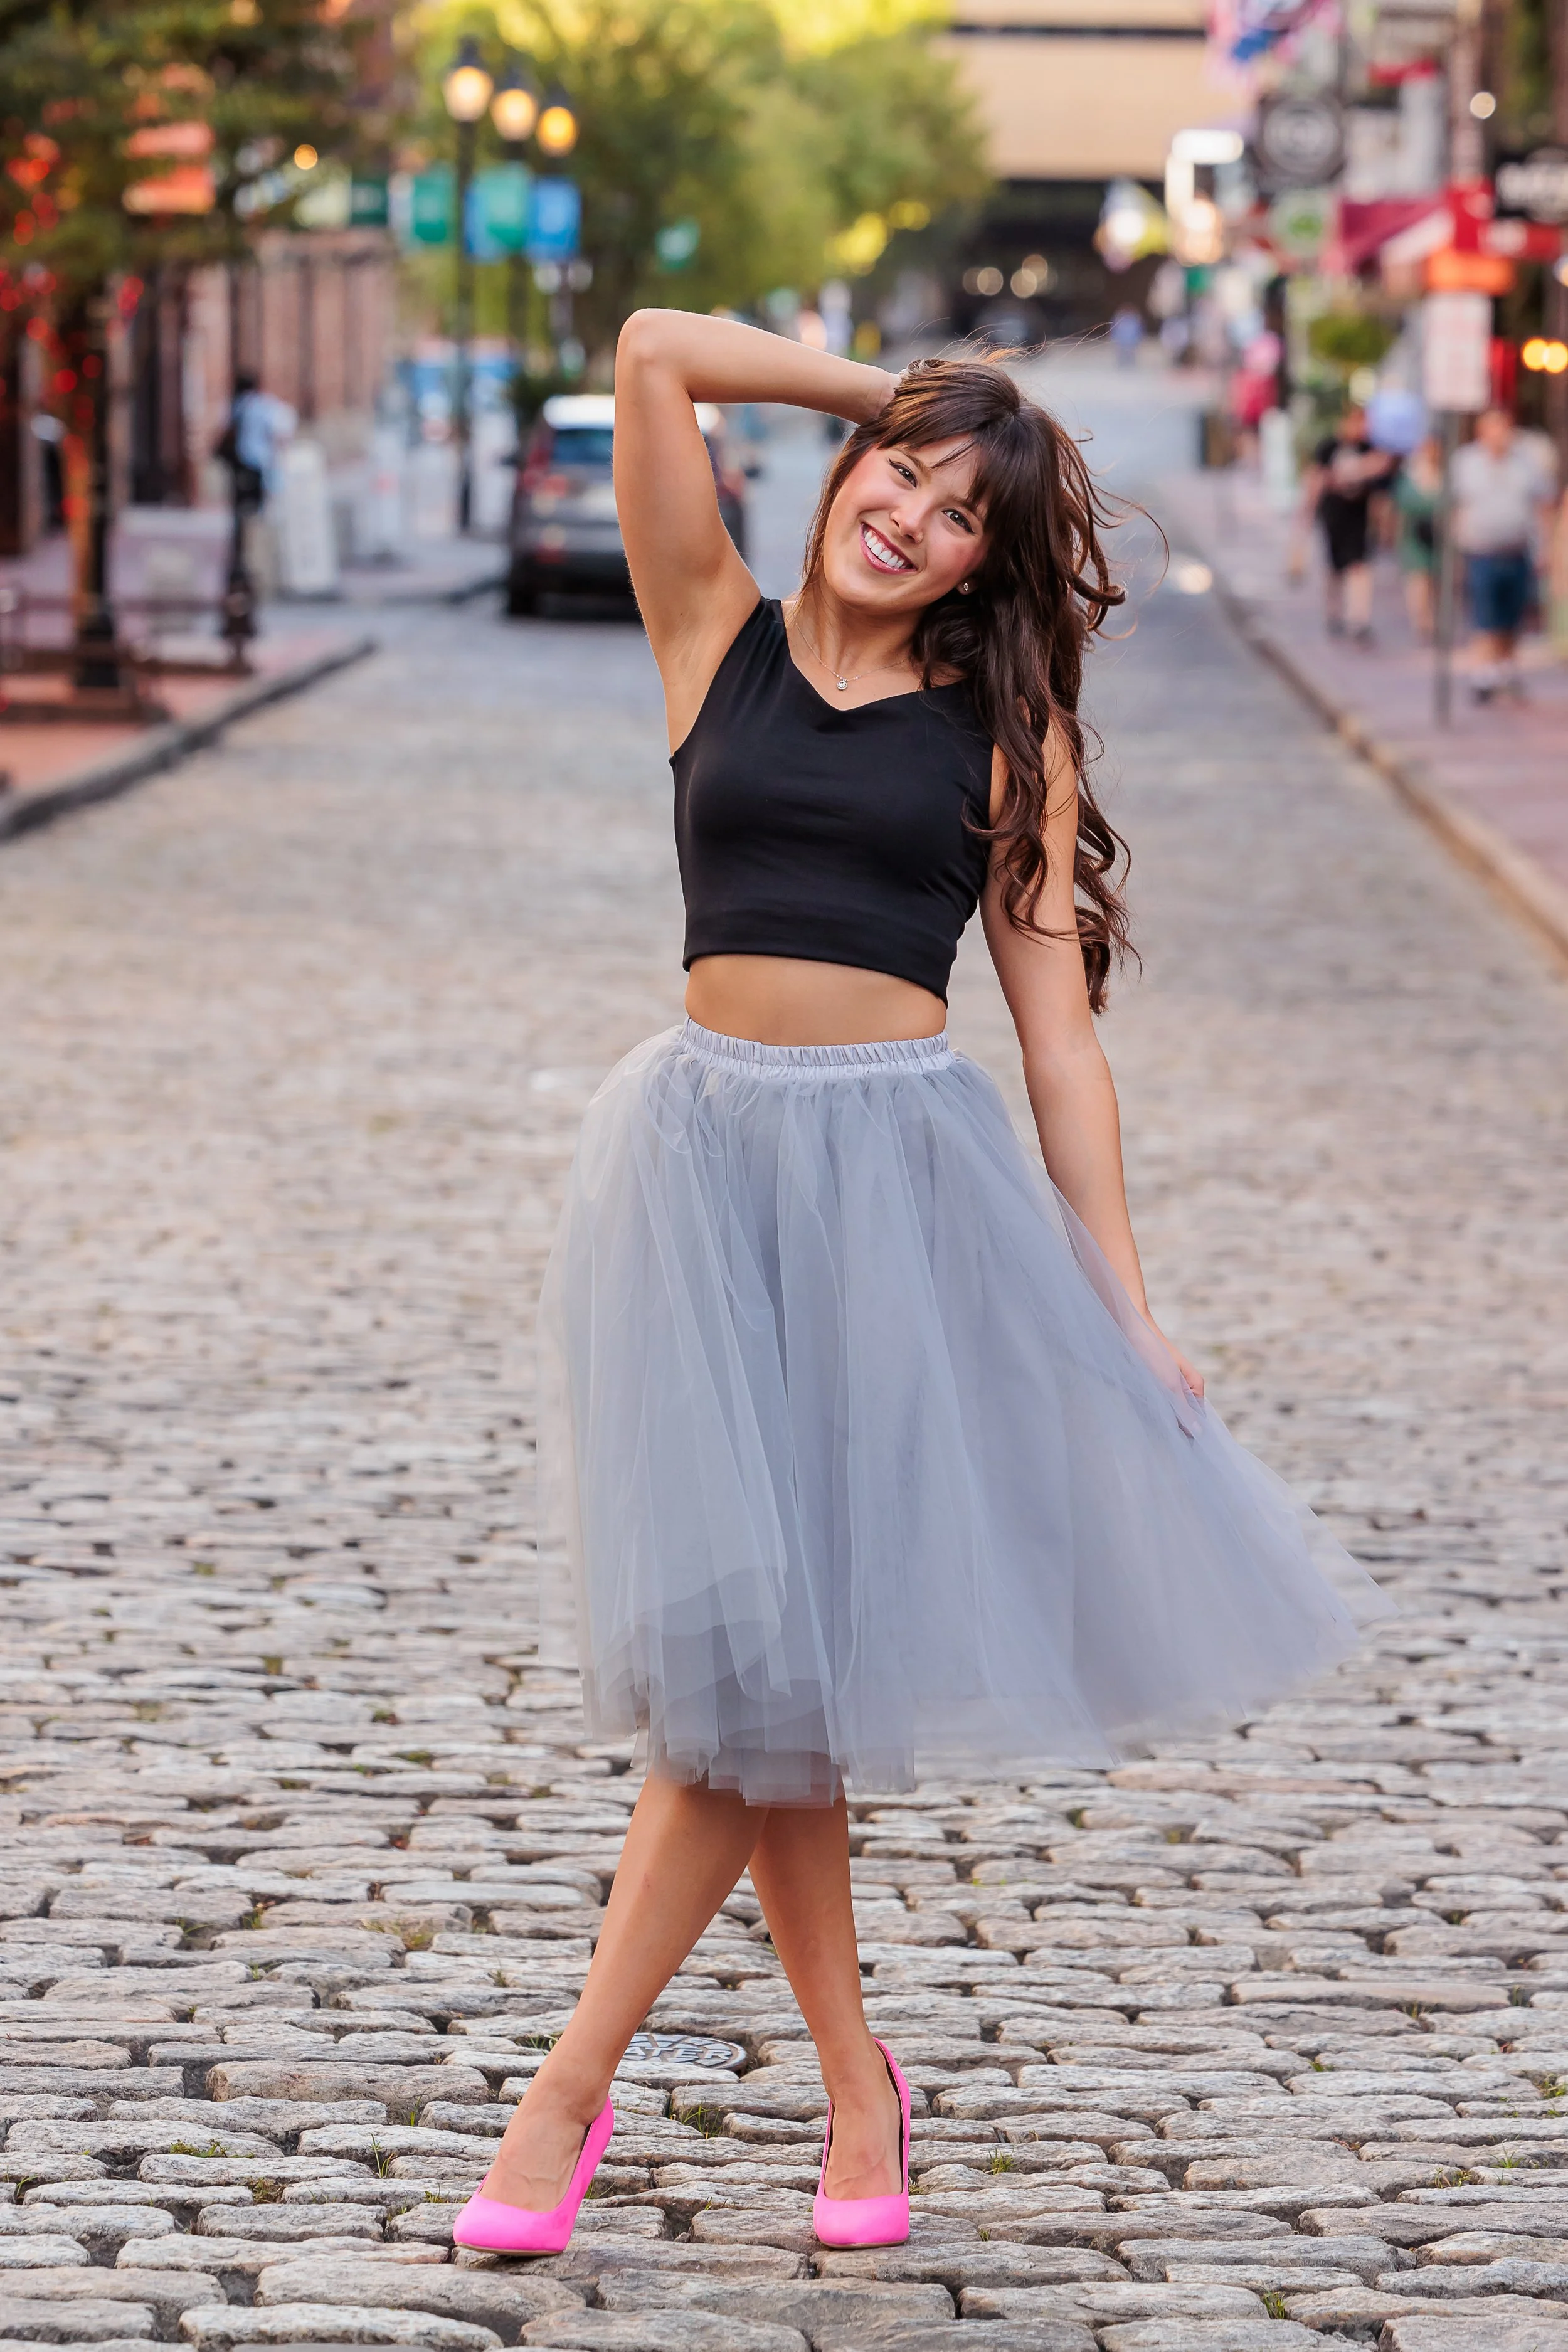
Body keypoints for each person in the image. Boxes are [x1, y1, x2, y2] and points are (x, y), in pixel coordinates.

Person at [452, 316, 1391, 2260]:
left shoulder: (996, 731)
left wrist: (1117, 1297)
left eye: (964, 515)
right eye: (900, 476)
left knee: (740, 1703)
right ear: (847, 466)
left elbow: (1055, 1041)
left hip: (888, 1199)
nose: (910, 516)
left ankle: (564, 2091)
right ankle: (857, 2081)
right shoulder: (704, 621)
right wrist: (880, 393)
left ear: (985, 567)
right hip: (699, 1180)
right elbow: (645, 352)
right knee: (756, 1686)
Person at [1450, 406, 1557, 702]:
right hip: (1481, 551)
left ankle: (1506, 668)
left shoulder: (1527, 463)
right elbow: (1456, 507)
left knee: (1512, 616)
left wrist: (1545, 547)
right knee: (1485, 614)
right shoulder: (1466, 463)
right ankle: (1483, 673)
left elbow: (1543, 505)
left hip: (1516, 550)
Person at [1301, 406, 1396, 644]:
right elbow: (1317, 478)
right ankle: (1334, 613)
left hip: (1359, 517)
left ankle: (1359, 618)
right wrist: (1308, 512)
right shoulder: (1329, 447)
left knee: (1359, 566)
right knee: (1335, 567)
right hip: (1334, 515)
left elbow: (1381, 482)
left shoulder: (1369, 448)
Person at [1391, 433, 1443, 644]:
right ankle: (1422, 623)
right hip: (1414, 537)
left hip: (1437, 537)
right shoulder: (1409, 478)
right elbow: (1399, 512)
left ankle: (1432, 619)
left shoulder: (1443, 476)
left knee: (1435, 582)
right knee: (1418, 582)